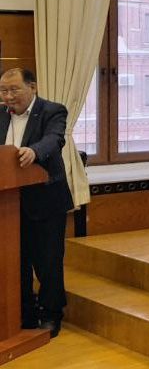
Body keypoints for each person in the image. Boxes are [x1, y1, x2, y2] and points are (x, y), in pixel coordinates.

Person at [1, 68, 72, 337]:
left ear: (33, 87)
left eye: (14, 90)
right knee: (15, 261)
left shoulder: (53, 111)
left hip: (46, 201)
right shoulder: (0, 113)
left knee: (48, 262)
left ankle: (51, 313)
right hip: (9, 205)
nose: (8, 96)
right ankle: (24, 312)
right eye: (3, 91)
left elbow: (54, 139)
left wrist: (34, 151)